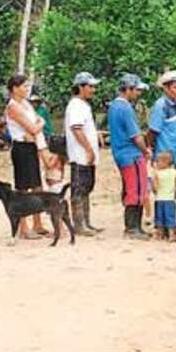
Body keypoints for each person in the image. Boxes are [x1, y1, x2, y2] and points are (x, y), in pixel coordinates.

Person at [5, 74, 50, 239]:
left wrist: (38, 124)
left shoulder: (25, 104)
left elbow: (34, 124)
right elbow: (33, 127)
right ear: (15, 88)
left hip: (31, 146)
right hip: (21, 147)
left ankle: (37, 223)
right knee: (23, 188)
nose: (27, 89)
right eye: (24, 86)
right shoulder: (13, 106)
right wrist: (41, 123)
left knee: (37, 186)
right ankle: (23, 227)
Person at [108, 73, 152, 239]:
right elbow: (136, 135)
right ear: (128, 89)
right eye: (136, 90)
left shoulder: (114, 106)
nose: (138, 93)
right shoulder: (125, 108)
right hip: (131, 154)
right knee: (137, 190)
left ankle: (134, 226)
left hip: (120, 152)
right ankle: (132, 227)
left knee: (130, 188)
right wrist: (145, 150)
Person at [64, 72, 101, 237]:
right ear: (80, 87)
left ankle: (86, 221)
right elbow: (76, 128)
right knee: (79, 189)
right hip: (80, 156)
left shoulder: (83, 105)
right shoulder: (76, 105)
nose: (93, 89)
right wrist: (88, 149)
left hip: (86, 156)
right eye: (90, 86)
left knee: (86, 187)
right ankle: (79, 224)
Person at [148, 71, 176, 169]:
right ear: (166, 89)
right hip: (164, 157)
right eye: (175, 87)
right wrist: (150, 149)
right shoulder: (161, 106)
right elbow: (153, 131)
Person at [152, 151, 176, 241]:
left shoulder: (157, 173)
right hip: (170, 199)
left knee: (159, 218)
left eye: (158, 161)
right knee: (170, 217)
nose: (156, 163)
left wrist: (154, 188)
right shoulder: (174, 172)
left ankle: (160, 235)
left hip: (159, 199)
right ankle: (172, 235)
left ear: (165, 162)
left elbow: (155, 188)